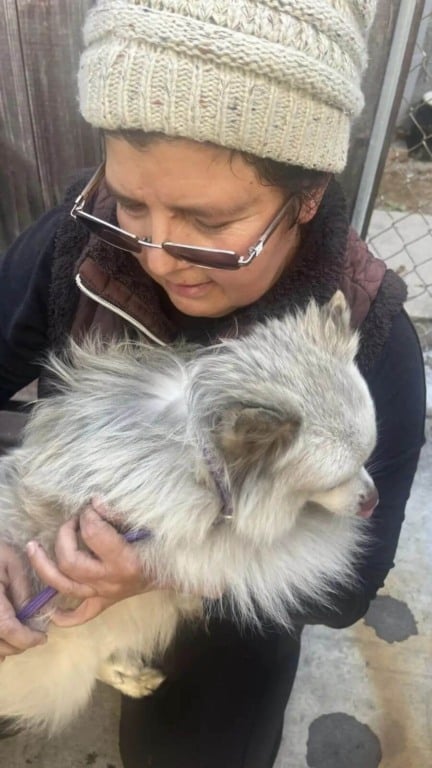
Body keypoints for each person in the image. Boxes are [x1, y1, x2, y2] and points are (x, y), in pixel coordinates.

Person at [0, 1, 426, 766]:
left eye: (209, 223)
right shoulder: (78, 240)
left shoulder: (373, 337)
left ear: (307, 195)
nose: (158, 257)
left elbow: (350, 588)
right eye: (133, 204)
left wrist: (166, 571)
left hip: (235, 623)